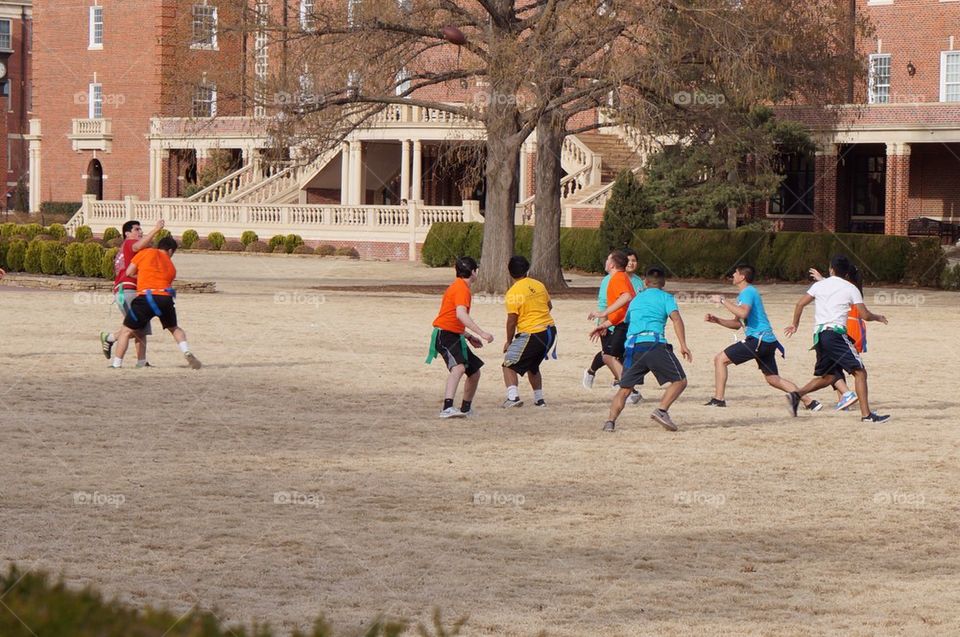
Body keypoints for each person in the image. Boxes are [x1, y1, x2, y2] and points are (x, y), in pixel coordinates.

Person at [784, 254, 889, 423]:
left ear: (831, 269)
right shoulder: (851, 288)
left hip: (819, 336)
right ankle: (867, 415)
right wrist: (877, 317)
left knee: (830, 377)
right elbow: (864, 314)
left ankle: (796, 395)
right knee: (860, 372)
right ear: (847, 272)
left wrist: (795, 324)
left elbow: (800, 304)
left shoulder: (820, 285)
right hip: (835, 334)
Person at [704, 264, 822, 411]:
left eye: (735, 273)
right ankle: (810, 402)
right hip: (767, 341)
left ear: (742, 277)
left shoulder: (748, 292)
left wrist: (722, 300)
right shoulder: (745, 295)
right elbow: (737, 323)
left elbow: (744, 313)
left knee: (720, 359)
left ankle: (718, 399)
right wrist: (717, 320)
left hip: (758, 340)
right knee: (773, 379)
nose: (733, 275)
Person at [592, 266, 692, 432]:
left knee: (625, 389)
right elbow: (676, 319)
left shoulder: (636, 300)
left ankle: (610, 422)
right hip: (654, 344)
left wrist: (604, 325)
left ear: (645, 282)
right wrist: (683, 345)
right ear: (663, 283)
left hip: (633, 347)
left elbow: (624, 320)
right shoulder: (667, 297)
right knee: (680, 381)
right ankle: (661, 411)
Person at [110, 237, 201, 369]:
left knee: (126, 331)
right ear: (170, 251)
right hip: (165, 298)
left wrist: (141, 276)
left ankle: (116, 364)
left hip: (146, 297)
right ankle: (186, 351)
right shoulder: (171, 266)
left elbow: (129, 272)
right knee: (174, 328)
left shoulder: (145, 252)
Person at [426, 256, 494, 418]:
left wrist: (469, 336)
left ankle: (465, 409)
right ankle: (447, 408)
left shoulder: (459, 287)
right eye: (476, 270)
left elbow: (453, 319)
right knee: (458, 368)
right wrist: (482, 333)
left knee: (474, 372)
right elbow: (460, 315)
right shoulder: (462, 289)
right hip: (445, 335)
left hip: (455, 335)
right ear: (473, 272)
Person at [100, 219, 166, 367]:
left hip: (127, 290)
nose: (140, 232)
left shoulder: (126, 249)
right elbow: (139, 246)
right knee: (134, 326)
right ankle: (111, 341)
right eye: (137, 229)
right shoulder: (129, 243)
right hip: (128, 289)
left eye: (140, 229)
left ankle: (141, 361)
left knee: (140, 327)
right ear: (127, 233)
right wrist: (156, 229)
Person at [582, 248, 644, 388]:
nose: (606, 261)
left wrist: (603, 314)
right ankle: (623, 385)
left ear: (612, 264)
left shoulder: (619, 278)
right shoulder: (615, 278)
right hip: (617, 324)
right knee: (610, 355)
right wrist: (604, 324)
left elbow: (627, 298)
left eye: (608, 259)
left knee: (611, 355)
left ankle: (627, 388)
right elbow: (618, 307)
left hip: (625, 325)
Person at [501, 256, 557, 408]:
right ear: (527, 270)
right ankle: (539, 399)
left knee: (509, 363)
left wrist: (509, 341)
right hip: (550, 331)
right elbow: (549, 306)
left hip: (532, 333)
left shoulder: (513, 292)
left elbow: (512, 320)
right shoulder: (539, 284)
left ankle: (512, 398)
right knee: (533, 365)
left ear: (510, 272)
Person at [808, 265, 863, 411]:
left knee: (842, 367)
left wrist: (823, 281)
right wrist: (824, 280)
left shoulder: (848, 288)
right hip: (851, 328)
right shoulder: (851, 287)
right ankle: (844, 399)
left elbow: (834, 289)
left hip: (844, 329)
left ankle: (847, 396)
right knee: (838, 364)